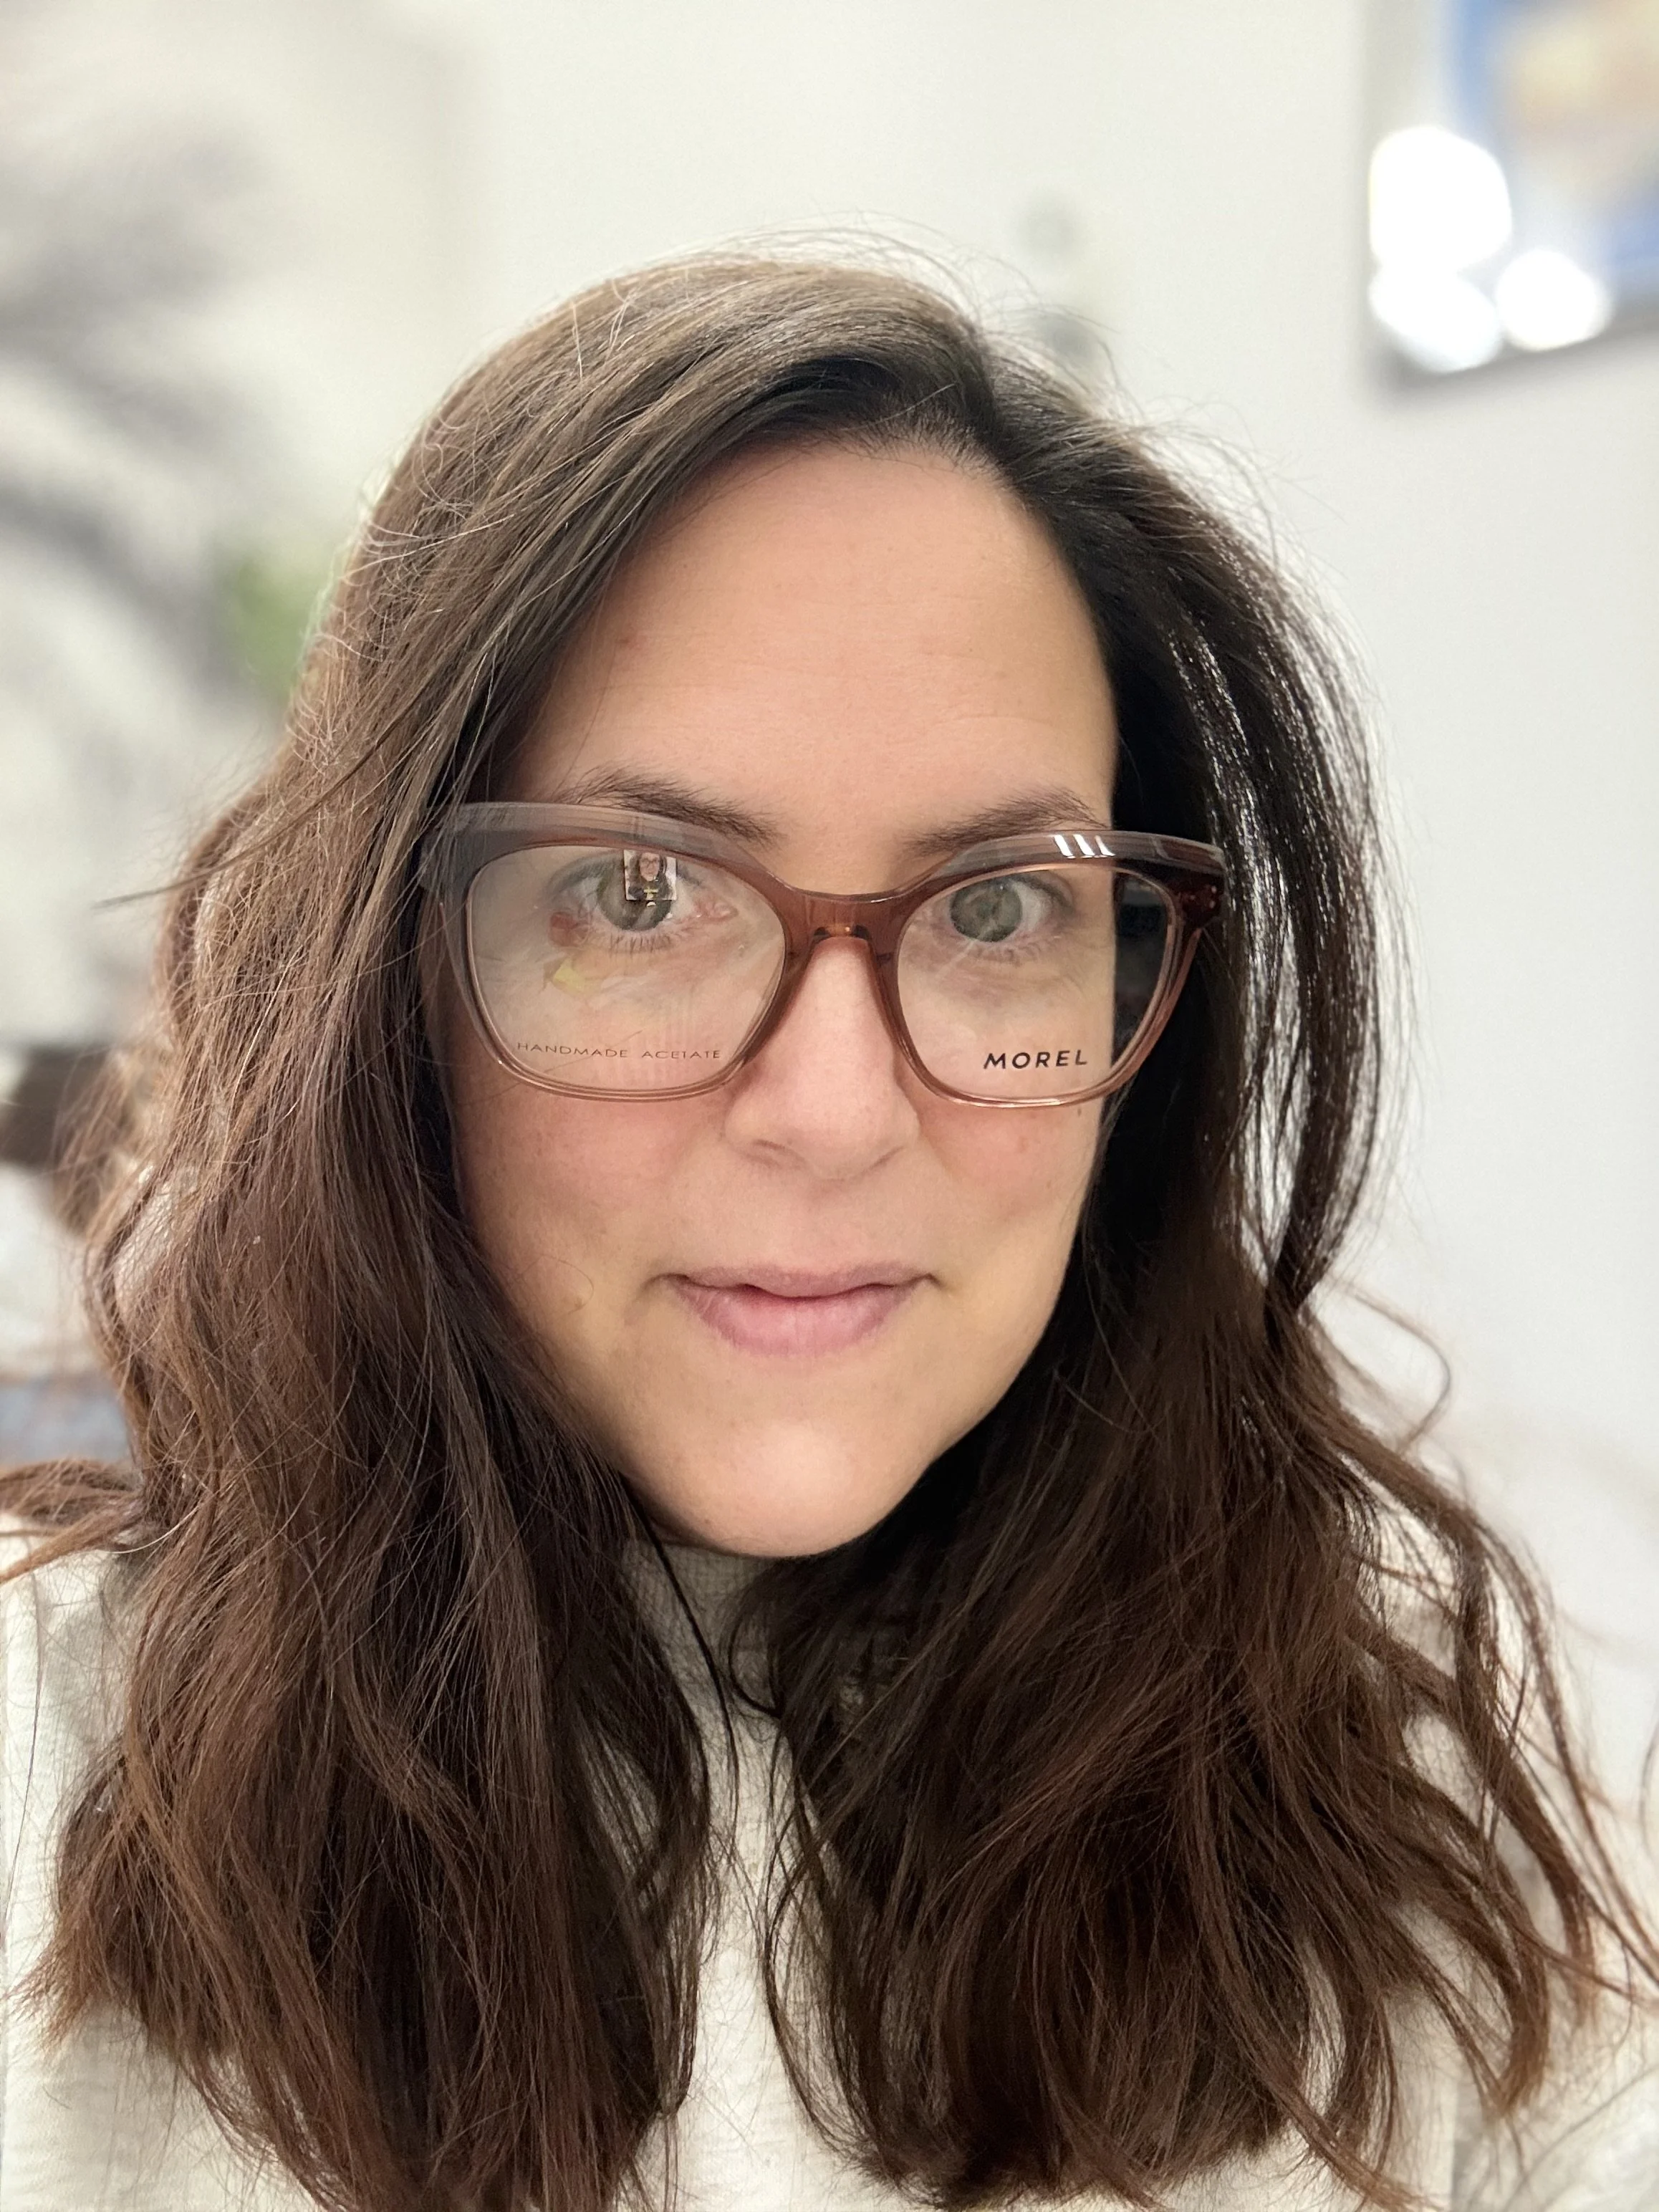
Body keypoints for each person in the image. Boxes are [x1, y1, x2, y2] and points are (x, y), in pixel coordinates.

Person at [1, 255, 1654, 2212]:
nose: (836, 1111)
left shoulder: (1379, 1812)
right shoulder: (50, 1772)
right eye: (633, 896)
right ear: (385, 988)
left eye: (992, 910)